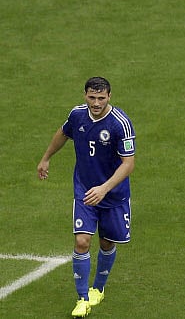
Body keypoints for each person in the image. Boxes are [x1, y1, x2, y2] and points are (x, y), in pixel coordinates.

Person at [37, 77, 135, 318]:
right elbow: (63, 133)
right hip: (84, 190)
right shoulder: (77, 115)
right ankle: (82, 299)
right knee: (82, 242)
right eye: (92, 97)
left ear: (109, 97)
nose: (96, 103)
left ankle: (98, 288)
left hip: (113, 195)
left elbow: (128, 164)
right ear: (85, 95)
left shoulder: (120, 124)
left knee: (107, 242)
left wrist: (104, 188)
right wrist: (46, 157)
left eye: (101, 98)